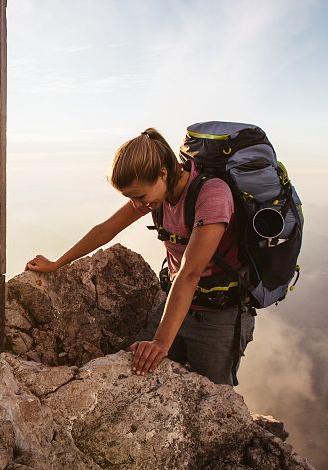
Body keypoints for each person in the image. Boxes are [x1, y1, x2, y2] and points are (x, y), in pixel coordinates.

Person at [25, 128, 255, 386]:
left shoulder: (212, 195)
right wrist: (57, 263)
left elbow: (190, 273)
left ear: (163, 173)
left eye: (140, 196)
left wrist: (161, 342)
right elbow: (106, 230)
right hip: (178, 303)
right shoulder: (157, 194)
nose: (138, 204)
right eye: (130, 197)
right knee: (137, 371)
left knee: (214, 396)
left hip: (220, 315)